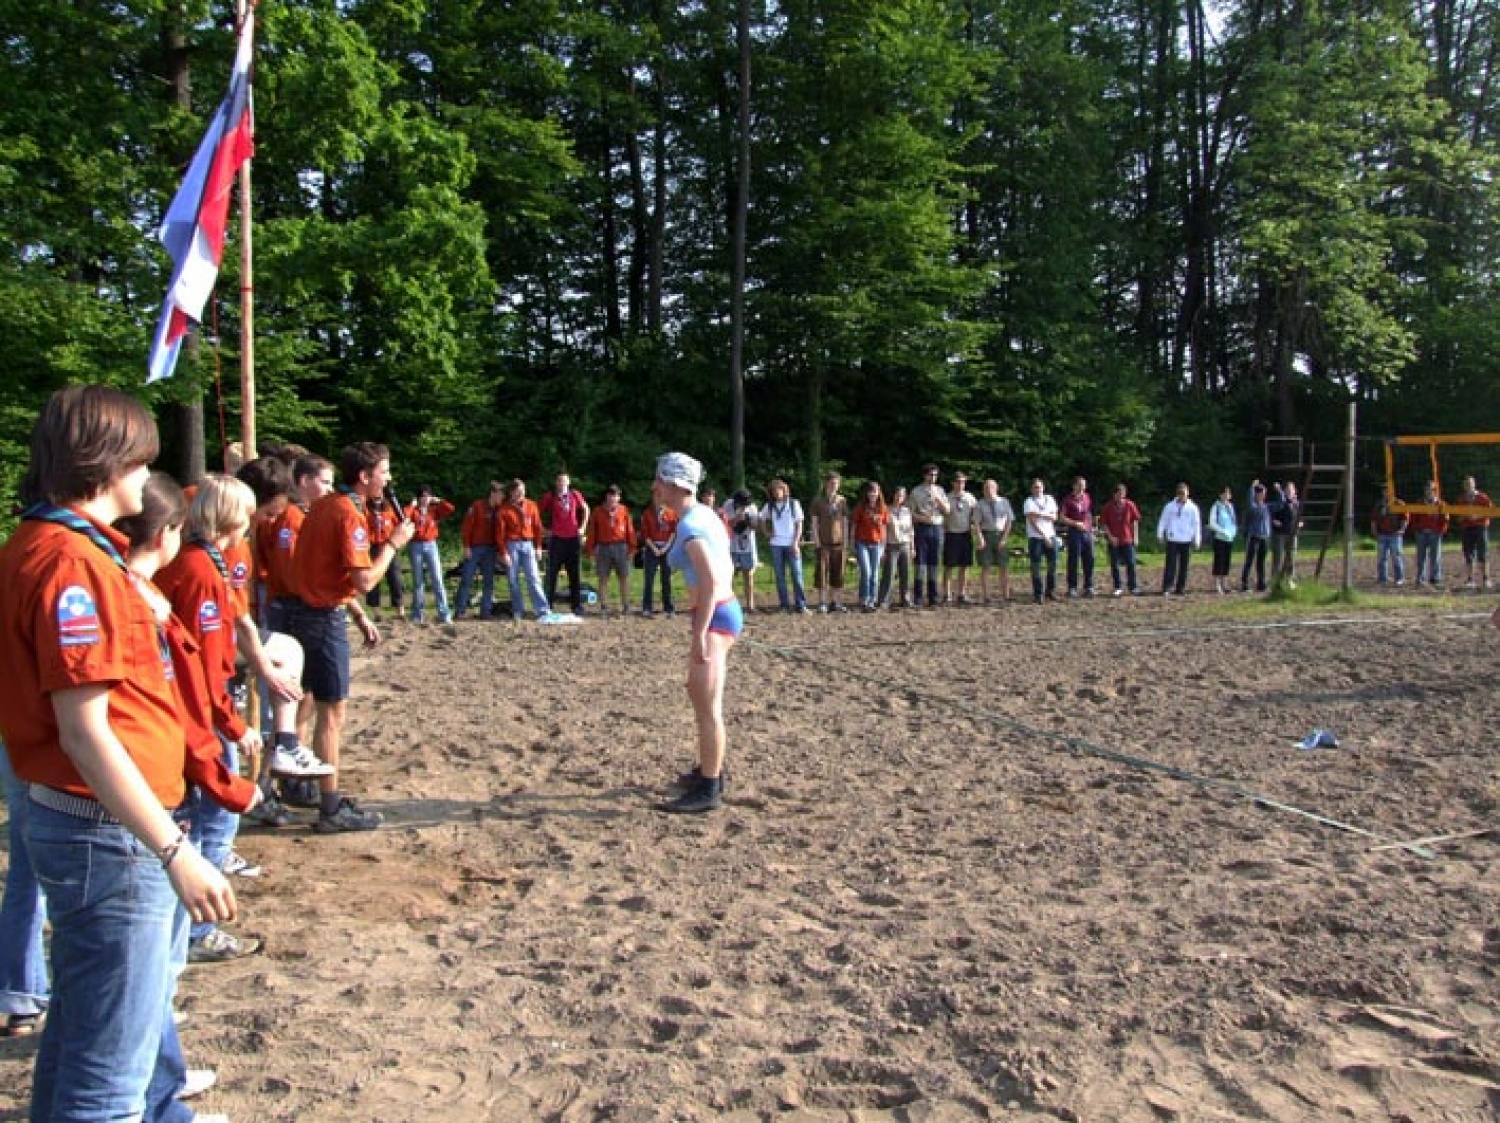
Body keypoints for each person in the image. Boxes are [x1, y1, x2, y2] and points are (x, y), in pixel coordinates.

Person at [0, 385, 236, 1120]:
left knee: (79, 1036)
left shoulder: (48, 547)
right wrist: (174, 849)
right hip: (110, 833)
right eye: (139, 458)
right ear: (102, 462)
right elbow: (86, 729)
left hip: (88, 823)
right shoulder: (73, 565)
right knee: (109, 1082)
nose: (146, 476)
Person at [119, 471, 264, 1121]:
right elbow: (200, 670)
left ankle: (157, 1048)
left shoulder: (174, 572)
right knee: (185, 879)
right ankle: (166, 999)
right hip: (180, 747)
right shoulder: (201, 573)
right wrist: (233, 734)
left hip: (162, 747)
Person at [290, 441, 414, 832]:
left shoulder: (324, 506)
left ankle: (296, 781)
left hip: (302, 612)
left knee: (307, 700)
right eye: (384, 472)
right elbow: (364, 580)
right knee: (332, 711)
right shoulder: (347, 513)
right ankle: (330, 806)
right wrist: (393, 545)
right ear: (364, 477)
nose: (389, 479)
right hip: (322, 617)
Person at [653, 453, 741, 815]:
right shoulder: (702, 515)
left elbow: (708, 579)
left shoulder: (692, 526)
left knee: (708, 707)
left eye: (658, 480)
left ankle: (710, 788)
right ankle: (708, 770)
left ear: (674, 485)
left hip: (715, 616)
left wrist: (700, 633)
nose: (654, 486)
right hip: (720, 611)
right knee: (698, 693)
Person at [0, 739, 47, 1039]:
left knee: (26, 873)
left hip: (15, 736)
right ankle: (23, 995)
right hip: (44, 744)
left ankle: (22, 996)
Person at [498, 478, 551, 619]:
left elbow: (538, 527)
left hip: (528, 543)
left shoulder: (531, 505)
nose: (521, 493)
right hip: (512, 544)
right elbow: (500, 534)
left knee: (534, 577)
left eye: (523, 490)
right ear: (511, 492)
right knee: (513, 579)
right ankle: (518, 610)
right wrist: (503, 552)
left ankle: (542, 609)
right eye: (518, 491)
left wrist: (539, 546)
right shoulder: (504, 509)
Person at [455, 481, 506, 619]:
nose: (502, 497)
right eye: (501, 494)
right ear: (493, 494)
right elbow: (467, 527)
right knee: (467, 578)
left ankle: (486, 611)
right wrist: (466, 546)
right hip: (475, 548)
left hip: (490, 549)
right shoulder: (477, 506)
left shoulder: (500, 510)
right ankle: (460, 611)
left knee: (489, 581)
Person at [540, 472, 590, 614]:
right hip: (556, 539)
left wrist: (583, 527)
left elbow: (586, 508)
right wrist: (544, 530)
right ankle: (548, 605)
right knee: (552, 573)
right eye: (559, 481)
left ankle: (576, 605)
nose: (562, 484)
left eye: (564, 481)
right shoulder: (550, 497)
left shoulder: (574, 495)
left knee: (574, 573)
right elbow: (536, 513)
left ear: (568, 483)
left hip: (572, 538)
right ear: (556, 483)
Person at [405, 485, 455, 623]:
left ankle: (444, 614)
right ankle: (417, 614)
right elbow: (403, 516)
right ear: (418, 497)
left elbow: (450, 508)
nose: (425, 499)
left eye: (427, 496)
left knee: (437, 578)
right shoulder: (414, 511)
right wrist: (412, 504)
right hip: (415, 545)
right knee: (418, 581)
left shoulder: (434, 511)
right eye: (422, 496)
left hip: (431, 544)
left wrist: (438, 500)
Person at [587, 484, 638, 615]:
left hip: (621, 546)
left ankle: (626, 605)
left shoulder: (624, 510)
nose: (613, 498)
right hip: (603, 547)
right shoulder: (598, 511)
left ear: (619, 498)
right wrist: (591, 550)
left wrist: (632, 548)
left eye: (615, 496)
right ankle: (604, 606)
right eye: (610, 495)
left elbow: (630, 530)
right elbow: (592, 531)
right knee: (603, 577)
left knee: (624, 577)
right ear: (606, 496)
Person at [761, 478, 808, 613]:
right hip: (776, 544)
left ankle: (801, 605)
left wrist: (795, 543)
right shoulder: (769, 506)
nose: (776, 493)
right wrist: (766, 533)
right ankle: (784, 605)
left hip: (791, 544)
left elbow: (799, 525)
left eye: (779, 490)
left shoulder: (794, 504)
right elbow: (761, 519)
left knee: (797, 574)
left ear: (784, 490)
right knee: (780, 577)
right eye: (774, 491)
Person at [909, 464, 950, 607]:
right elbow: (910, 512)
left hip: (937, 527)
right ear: (925, 475)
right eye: (931, 475)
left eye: (935, 475)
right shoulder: (916, 491)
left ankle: (933, 596)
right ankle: (918, 596)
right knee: (920, 562)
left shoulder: (940, 490)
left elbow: (947, 510)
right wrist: (921, 518)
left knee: (934, 562)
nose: (933, 478)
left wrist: (938, 501)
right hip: (922, 528)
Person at [809, 471, 849, 612]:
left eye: (836, 483)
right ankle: (822, 602)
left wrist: (845, 541)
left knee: (838, 574)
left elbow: (844, 522)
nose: (834, 485)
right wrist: (817, 541)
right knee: (822, 574)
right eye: (832, 483)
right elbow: (814, 522)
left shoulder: (842, 501)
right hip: (823, 543)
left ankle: (836, 602)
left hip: (838, 544)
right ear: (826, 483)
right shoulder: (817, 501)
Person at [941, 471, 982, 605]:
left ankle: (961, 594)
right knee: (949, 566)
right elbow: (942, 517)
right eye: (958, 482)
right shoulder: (946, 497)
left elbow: (976, 515)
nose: (961, 484)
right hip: (951, 534)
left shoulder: (970, 497)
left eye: (963, 482)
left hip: (965, 534)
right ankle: (946, 595)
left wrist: (975, 530)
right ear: (953, 483)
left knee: (964, 566)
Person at [363, 490, 405, 618]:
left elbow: (400, 525)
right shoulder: (366, 510)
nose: (378, 498)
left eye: (380, 495)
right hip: (373, 547)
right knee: (374, 579)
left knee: (395, 578)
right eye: (375, 496)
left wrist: (397, 541)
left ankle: (400, 610)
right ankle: (376, 612)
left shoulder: (390, 510)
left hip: (389, 545)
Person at [639, 488, 679, 618]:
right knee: (649, 579)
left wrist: (666, 548)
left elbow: (673, 532)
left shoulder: (672, 513)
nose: (659, 499)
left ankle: (668, 607)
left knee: (666, 579)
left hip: (667, 548)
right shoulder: (647, 514)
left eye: (661, 497)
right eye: (656, 496)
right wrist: (655, 549)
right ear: (653, 498)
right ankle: (647, 607)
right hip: (652, 548)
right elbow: (645, 534)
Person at [1098, 483, 1143, 596]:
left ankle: (1133, 586)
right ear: (1114, 495)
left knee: (1131, 563)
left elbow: (1135, 521)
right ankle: (1117, 587)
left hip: (1127, 539)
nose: (1120, 496)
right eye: (1118, 494)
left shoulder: (1130, 505)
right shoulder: (1107, 507)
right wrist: (1110, 537)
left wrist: (1135, 537)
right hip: (1114, 540)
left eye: (1122, 494)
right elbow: (1104, 524)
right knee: (1115, 565)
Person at [1158, 482, 1202, 595]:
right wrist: (1160, 534)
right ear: (1177, 493)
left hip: (1186, 540)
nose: (1182, 495)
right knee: (1170, 564)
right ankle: (1167, 587)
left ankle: (1180, 587)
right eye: (1180, 493)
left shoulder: (1193, 508)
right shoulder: (1169, 506)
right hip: (1173, 538)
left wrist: (1197, 539)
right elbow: (1163, 520)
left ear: (1188, 493)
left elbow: (1196, 524)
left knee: (1184, 565)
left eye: (1184, 493)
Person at [850, 481, 889, 611]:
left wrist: (884, 545)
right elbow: (854, 525)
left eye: (875, 491)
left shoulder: (883, 508)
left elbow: (884, 527)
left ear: (879, 493)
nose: (873, 494)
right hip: (862, 543)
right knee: (866, 572)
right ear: (867, 493)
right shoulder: (861, 507)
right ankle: (864, 599)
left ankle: (873, 599)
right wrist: (851, 542)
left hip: (877, 544)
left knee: (875, 573)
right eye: (871, 491)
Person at [976, 479, 1014, 604]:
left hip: (1001, 535)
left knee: (1003, 566)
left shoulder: (1004, 502)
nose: (988, 490)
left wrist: (1004, 538)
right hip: (986, 535)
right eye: (986, 488)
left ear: (996, 488)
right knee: (985, 566)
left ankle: (1006, 595)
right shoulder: (980, 504)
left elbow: (1009, 521)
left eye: (991, 487)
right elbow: (976, 523)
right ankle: (986, 596)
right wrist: (980, 538)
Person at [722, 488, 759, 613]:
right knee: (729, 575)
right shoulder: (728, 505)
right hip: (731, 545)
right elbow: (727, 524)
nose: (744, 505)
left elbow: (756, 526)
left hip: (747, 545)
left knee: (748, 575)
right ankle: (729, 605)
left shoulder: (752, 508)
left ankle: (750, 605)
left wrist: (748, 521)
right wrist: (738, 517)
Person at [1023, 478, 1060, 604]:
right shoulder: (1029, 501)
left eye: (1039, 487)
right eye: (1035, 487)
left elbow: (1054, 516)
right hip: (1035, 538)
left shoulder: (1050, 499)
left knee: (1053, 564)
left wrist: (1040, 515)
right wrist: (1044, 536)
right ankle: (1038, 593)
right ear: (1031, 489)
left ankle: (1051, 591)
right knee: (1036, 566)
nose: (1038, 489)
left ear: (1043, 487)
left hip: (1051, 535)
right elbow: (1032, 521)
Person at [1058, 477, 1096, 598]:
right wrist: (1075, 523)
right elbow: (1062, 517)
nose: (1082, 487)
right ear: (1074, 486)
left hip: (1087, 532)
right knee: (1073, 560)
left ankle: (1089, 586)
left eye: (1084, 485)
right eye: (1080, 485)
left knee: (1089, 559)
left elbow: (1089, 513)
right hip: (1074, 532)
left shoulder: (1087, 497)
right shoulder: (1068, 500)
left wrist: (1090, 527)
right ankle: (1072, 587)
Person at [878, 486, 914, 609]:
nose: (899, 498)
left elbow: (910, 530)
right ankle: (883, 600)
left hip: (905, 544)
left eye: (902, 496)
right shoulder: (886, 510)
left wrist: (912, 547)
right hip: (891, 545)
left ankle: (905, 598)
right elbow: (883, 531)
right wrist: (883, 549)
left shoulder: (907, 511)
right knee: (889, 573)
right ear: (893, 495)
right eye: (897, 495)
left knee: (905, 574)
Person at [1410, 480, 1449, 588]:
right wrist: (1417, 530)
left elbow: (1445, 519)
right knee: (1420, 557)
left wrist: (1440, 531)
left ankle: (1435, 578)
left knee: (1435, 557)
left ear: (1435, 491)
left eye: (1431, 489)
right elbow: (1413, 518)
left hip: (1435, 534)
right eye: (1427, 489)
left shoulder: (1441, 504)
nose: (1429, 491)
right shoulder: (1419, 503)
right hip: (1421, 533)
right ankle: (1420, 578)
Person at [1456, 475, 1492, 589]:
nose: (1468, 485)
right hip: (1467, 529)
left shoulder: (1482, 497)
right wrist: (1465, 516)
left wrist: (1477, 516)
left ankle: (1486, 579)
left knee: (1483, 555)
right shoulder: (1461, 499)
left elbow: (1490, 512)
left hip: (1480, 528)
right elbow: (1458, 517)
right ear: (1464, 486)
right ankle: (1470, 580)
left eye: (1470, 483)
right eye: (1466, 484)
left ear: (1474, 484)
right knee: (1468, 555)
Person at [1370, 492, 1408, 587]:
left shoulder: (1399, 504)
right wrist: (1374, 531)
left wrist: (1402, 530)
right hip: (1382, 534)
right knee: (1382, 558)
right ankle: (1382, 578)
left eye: (1388, 490)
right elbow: (1374, 519)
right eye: (1384, 491)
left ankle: (1399, 578)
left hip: (1395, 535)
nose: (1386, 493)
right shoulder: (1379, 505)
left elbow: (1405, 518)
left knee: (1397, 557)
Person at [1240, 482, 1271, 593]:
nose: (1263, 495)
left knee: (1261, 562)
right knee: (1249, 560)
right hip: (1254, 536)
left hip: (1264, 537)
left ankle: (1261, 584)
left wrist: (1280, 491)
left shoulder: (1266, 506)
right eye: (1262, 493)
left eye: (1264, 493)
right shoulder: (1253, 506)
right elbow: (1249, 501)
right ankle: (1244, 584)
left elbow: (1281, 504)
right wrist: (1252, 487)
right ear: (1256, 494)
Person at [1269, 481, 1300, 587]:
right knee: (1278, 558)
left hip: (1292, 534)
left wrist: (1300, 522)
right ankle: (1275, 581)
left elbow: (1299, 516)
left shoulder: (1296, 504)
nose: (1289, 492)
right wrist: (1273, 520)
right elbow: (1270, 512)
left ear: (1294, 491)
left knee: (1291, 558)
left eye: (1291, 490)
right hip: (1280, 534)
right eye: (1287, 490)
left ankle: (1290, 579)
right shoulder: (1280, 502)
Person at [1208, 486, 1237, 595]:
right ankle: (1217, 584)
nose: (1227, 495)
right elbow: (1212, 523)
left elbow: (1233, 520)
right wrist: (1223, 531)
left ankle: (1224, 583)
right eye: (1224, 493)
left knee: (1227, 561)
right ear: (1220, 495)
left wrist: (1233, 531)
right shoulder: (1216, 506)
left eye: (1228, 493)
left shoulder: (1230, 506)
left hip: (1229, 538)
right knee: (1219, 561)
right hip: (1219, 538)